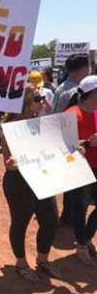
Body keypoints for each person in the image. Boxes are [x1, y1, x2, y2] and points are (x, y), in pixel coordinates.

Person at [0, 85, 61, 283]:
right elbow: (8, 162)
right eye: (38, 98)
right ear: (25, 102)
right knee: (20, 223)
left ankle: (43, 260)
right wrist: (12, 165)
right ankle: (21, 263)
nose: (42, 101)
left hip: (41, 177)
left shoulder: (42, 122)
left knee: (51, 219)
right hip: (18, 182)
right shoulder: (10, 127)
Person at [52, 54, 89, 226]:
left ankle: (67, 216)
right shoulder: (80, 91)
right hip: (80, 142)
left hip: (63, 140)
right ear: (83, 69)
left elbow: (54, 115)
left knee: (71, 182)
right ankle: (74, 220)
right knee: (80, 184)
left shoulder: (60, 88)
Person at [65, 75, 97, 266]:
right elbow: (63, 147)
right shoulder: (71, 114)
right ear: (90, 94)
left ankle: (85, 238)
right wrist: (88, 143)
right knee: (81, 207)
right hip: (79, 169)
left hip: (95, 166)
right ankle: (82, 244)